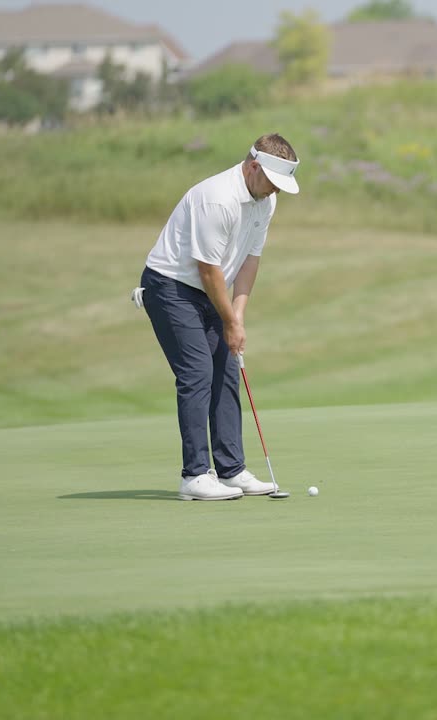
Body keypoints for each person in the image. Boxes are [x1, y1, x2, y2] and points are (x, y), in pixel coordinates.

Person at [132, 133, 300, 500]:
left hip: (213, 287)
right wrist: (229, 321)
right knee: (197, 372)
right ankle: (193, 475)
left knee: (226, 369)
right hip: (172, 287)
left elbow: (250, 259)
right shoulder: (218, 199)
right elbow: (208, 270)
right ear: (254, 167)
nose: (274, 192)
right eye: (272, 182)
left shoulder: (264, 200)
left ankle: (231, 470)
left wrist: (237, 315)